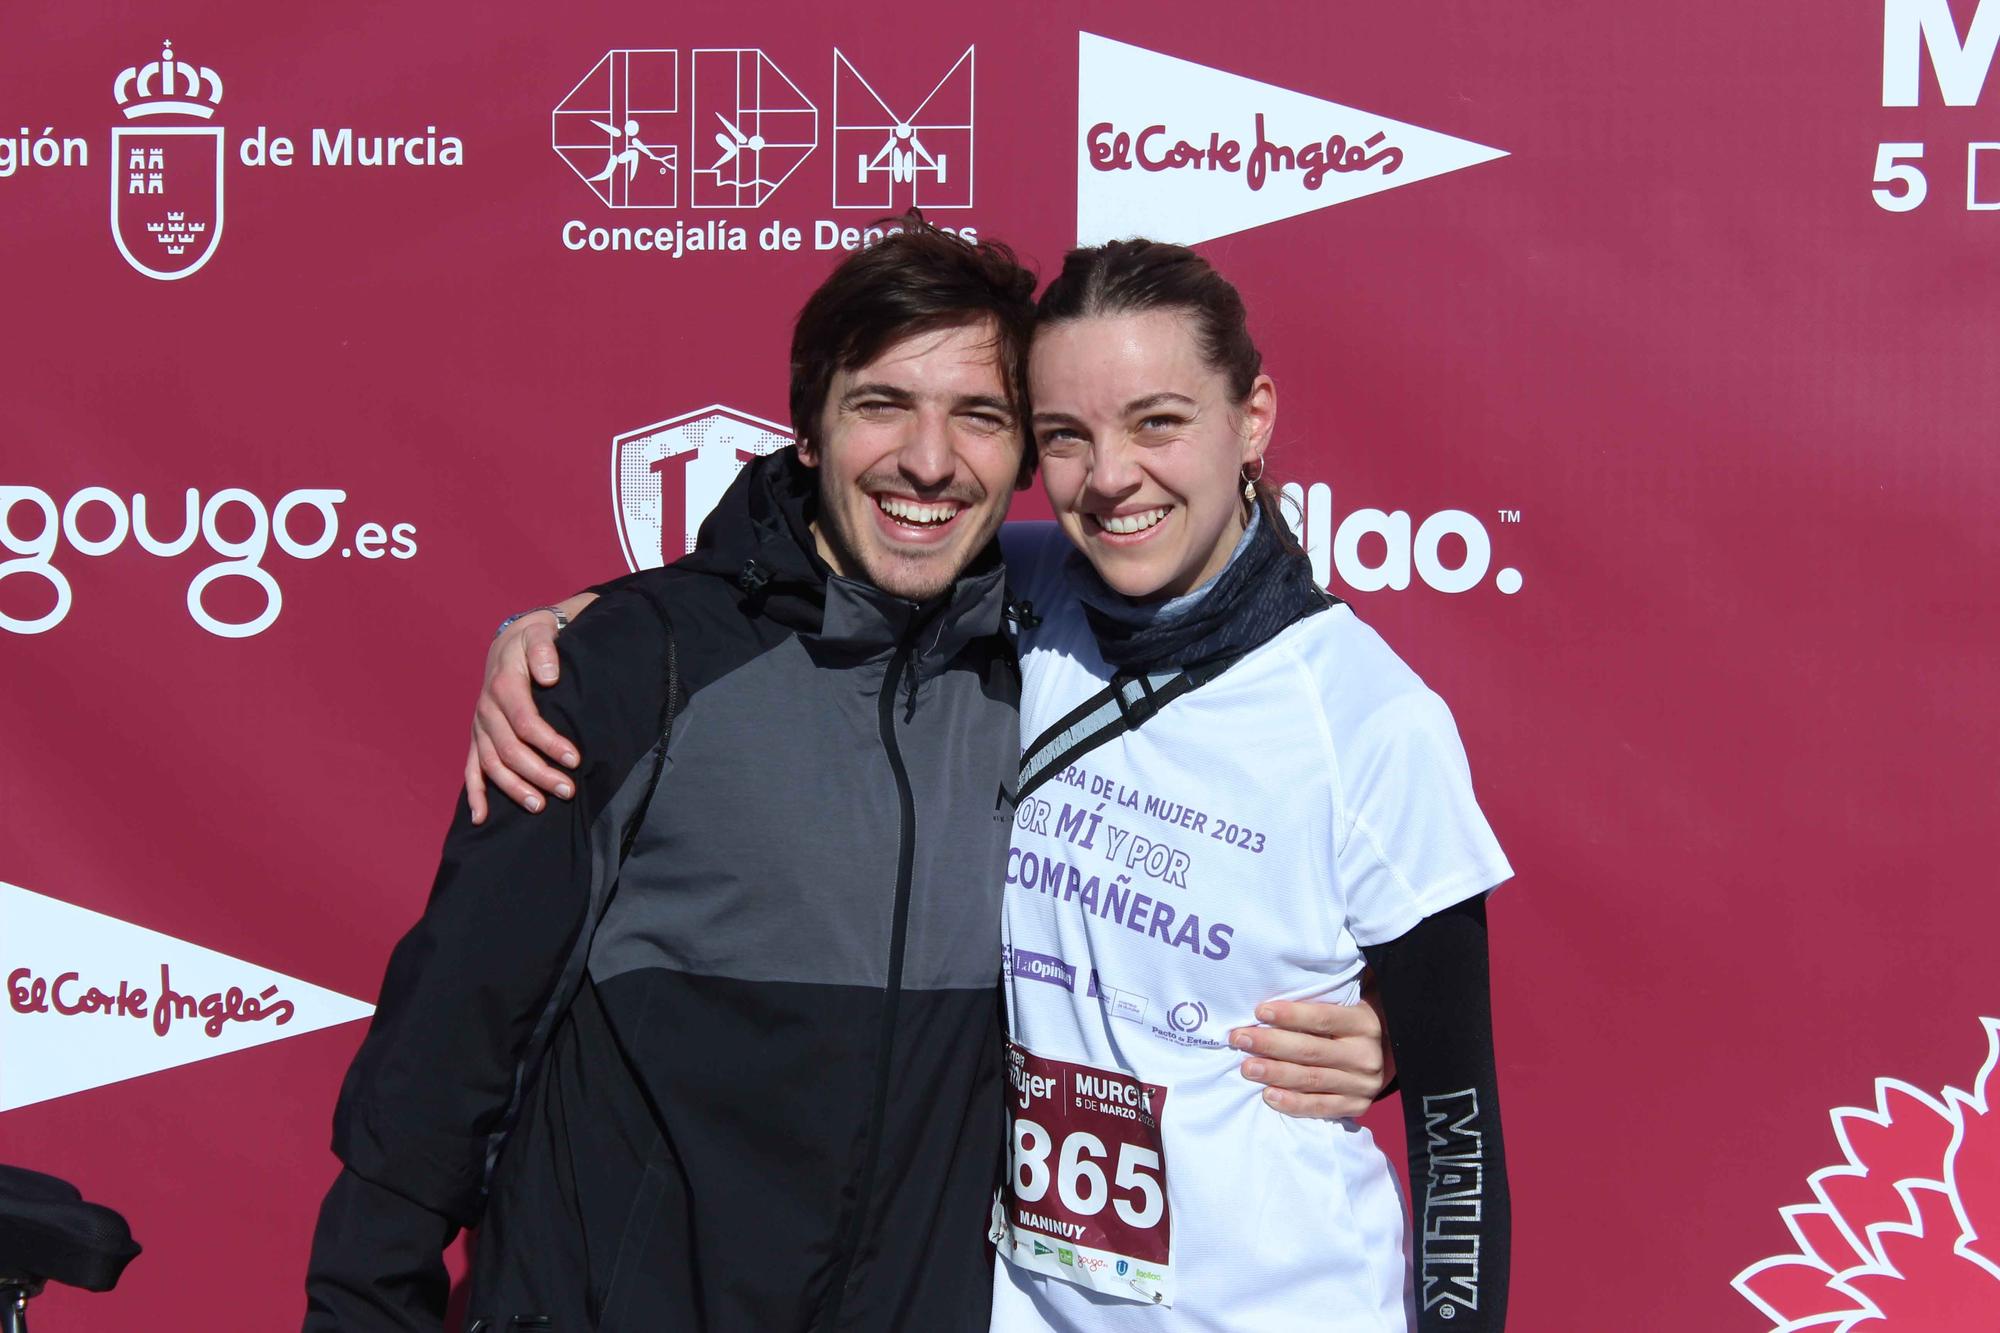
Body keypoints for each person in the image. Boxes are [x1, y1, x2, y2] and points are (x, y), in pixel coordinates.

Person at [308, 221, 1391, 1333]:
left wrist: (1388, 1025)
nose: (928, 461)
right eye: (882, 404)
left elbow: (1247, 724)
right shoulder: (636, 665)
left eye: (979, 416)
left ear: (1025, 456)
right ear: (809, 430)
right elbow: (448, 1041)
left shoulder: (1044, 667)